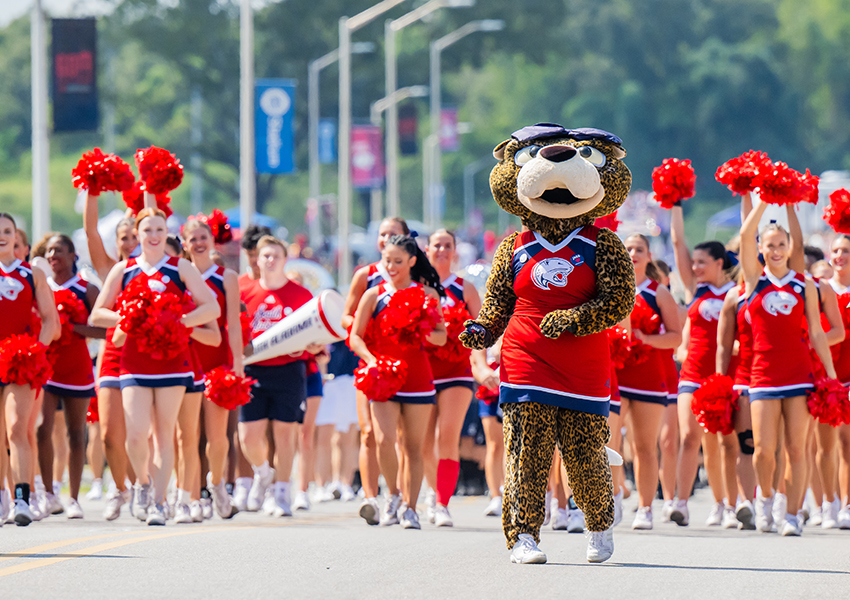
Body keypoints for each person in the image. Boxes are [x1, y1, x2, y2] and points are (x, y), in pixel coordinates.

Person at [91, 208, 219, 525]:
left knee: (165, 434)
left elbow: (211, 306)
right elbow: (97, 315)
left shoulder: (181, 267)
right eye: (147, 230)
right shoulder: (124, 269)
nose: (153, 235)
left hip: (173, 362)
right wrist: (130, 317)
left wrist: (179, 321)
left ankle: (160, 504)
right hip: (134, 362)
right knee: (135, 435)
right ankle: (144, 486)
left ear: (166, 233)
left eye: (159, 229)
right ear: (138, 234)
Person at [739, 197, 836, 536]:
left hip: (800, 376)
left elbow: (817, 333)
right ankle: (764, 498)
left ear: (789, 247)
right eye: (771, 245)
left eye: (782, 244)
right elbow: (745, 231)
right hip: (763, 376)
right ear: (761, 250)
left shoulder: (803, 284)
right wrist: (763, 204)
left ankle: (791, 513)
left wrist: (832, 377)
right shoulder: (753, 279)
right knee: (764, 450)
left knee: (797, 449)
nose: (777, 250)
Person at [348, 234, 447, 530]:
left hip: (418, 377)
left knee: (414, 447)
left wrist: (421, 328)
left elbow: (441, 336)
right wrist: (371, 359)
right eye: (386, 260)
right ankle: (391, 493)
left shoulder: (427, 294)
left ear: (412, 262)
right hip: (383, 377)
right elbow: (354, 335)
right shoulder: (373, 294)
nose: (390, 267)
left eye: (398, 262)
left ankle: (411, 507)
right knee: (383, 438)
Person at [240, 236, 324, 517]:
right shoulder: (244, 291)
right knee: (248, 437)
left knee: (285, 434)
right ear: (257, 260)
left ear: (285, 259)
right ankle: (263, 473)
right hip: (253, 370)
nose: (270, 260)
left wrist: (314, 346)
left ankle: (282, 493)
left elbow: (316, 335)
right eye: (265, 256)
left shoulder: (300, 295)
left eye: (276, 255)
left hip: (289, 370)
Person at [669, 203, 739, 529]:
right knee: (689, 438)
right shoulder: (695, 290)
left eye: (702, 262)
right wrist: (677, 203)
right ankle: (680, 504)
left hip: (727, 376)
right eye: (693, 262)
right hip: (693, 373)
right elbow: (676, 243)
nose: (695, 267)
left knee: (724, 442)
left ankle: (727, 504)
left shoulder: (737, 293)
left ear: (720, 263)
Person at [341, 216, 409, 524]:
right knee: (369, 432)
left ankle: (402, 496)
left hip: (407, 365)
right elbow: (346, 318)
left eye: (392, 234)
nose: (385, 238)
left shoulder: (413, 275)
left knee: (404, 437)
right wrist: (366, 328)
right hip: (371, 363)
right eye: (382, 234)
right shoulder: (365, 276)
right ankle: (371, 497)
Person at [422, 229, 489, 527]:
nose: (442, 250)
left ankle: (441, 502)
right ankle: (431, 489)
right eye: (437, 245)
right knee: (424, 443)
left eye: (447, 245)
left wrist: (481, 364)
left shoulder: (464, 288)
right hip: (422, 372)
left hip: (456, 372)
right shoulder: (415, 287)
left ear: (454, 251)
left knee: (446, 435)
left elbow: (481, 331)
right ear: (426, 250)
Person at [615, 234, 682, 530]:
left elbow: (676, 337)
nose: (632, 254)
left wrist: (646, 339)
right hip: (615, 376)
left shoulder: (659, 293)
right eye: (627, 248)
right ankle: (613, 497)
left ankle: (645, 507)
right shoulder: (611, 289)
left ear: (649, 255)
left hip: (648, 379)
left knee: (644, 446)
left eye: (638, 249)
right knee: (609, 442)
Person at [37, 234, 104, 519]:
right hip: (45, 367)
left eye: (59, 251)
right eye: (49, 251)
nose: (53, 255)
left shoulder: (86, 289)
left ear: (73, 255)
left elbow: (106, 328)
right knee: (42, 429)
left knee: (76, 433)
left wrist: (75, 328)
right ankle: (49, 494)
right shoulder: (40, 286)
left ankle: (74, 498)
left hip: (77, 369)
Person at [0, 212, 60, 526]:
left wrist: (35, 349)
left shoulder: (30, 272)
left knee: (16, 428)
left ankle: (22, 497)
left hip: (18, 360)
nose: (2, 236)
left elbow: (52, 320)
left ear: (16, 236)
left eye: (7, 231)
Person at [182, 219, 242, 520]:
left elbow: (233, 325)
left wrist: (238, 366)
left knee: (218, 437)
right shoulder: (179, 274)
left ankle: (216, 483)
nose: (198, 243)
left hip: (218, 362)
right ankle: (193, 498)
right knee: (189, 436)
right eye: (192, 239)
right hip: (186, 362)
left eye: (203, 237)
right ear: (184, 244)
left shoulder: (226, 276)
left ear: (212, 240)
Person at [84, 192, 139, 520]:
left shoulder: (152, 268)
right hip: (112, 357)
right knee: (109, 433)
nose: (131, 242)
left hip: (146, 358)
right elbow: (90, 232)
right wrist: (91, 188)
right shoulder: (111, 269)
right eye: (124, 237)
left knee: (138, 431)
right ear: (116, 242)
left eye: (135, 235)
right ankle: (120, 489)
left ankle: (141, 487)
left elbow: (151, 218)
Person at [828, 235, 850, 529]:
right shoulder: (820, 291)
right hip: (823, 379)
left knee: (846, 444)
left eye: (845, 250)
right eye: (835, 250)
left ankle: (846, 502)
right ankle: (825, 502)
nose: (840, 255)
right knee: (821, 447)